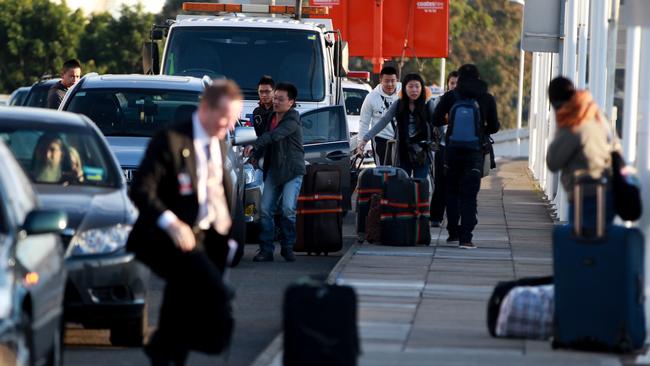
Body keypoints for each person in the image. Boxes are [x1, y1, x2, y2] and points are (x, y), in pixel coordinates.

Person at [126, 80, 243, 366]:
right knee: (217, 295)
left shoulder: (220, 143)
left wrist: (227, 236)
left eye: (233, 120)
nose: (228, 125)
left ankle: (162, 350)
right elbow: (141, 188)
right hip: (172, 238)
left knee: (179, 306)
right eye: (224, 117)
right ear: (205, 108)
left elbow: (218, 192)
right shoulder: (171, 140)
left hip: (210, 239)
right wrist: (171, 223)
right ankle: (171, 347)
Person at [432, 64, 500, 249]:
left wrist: (450, 121)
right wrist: (480, 129)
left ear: (459, 78)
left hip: (452, 151)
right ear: (478, 78)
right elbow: (494, 126)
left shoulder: (451, 96)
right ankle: (466, 238)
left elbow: (436, 119)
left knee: (452, 192)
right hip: (474, 153)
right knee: (469, 195)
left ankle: (453, 233)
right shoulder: (486, 98)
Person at [244, 83, 305, 262]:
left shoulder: (293, 119)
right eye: (275, 97)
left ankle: (287, 247)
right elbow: (266, 140)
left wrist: (254, 145)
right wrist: (255, 155)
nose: (275, 101)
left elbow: (274, 136)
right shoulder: (270, 117)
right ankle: (266, 250)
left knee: (288, 209)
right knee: (265, 210)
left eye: (280, 99)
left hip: (292, 170)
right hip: (274, 170)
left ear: (291, 102)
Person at [546, 76, 614, 227]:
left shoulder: (574, 123)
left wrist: (560, 129)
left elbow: (553, 161)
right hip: (609, 191)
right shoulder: (597, 115)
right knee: (602, 244)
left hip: (585, 195)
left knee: (580, 246)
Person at [358, 73, 434, 179]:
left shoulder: (428, 104)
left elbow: (437, 123)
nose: (414, 90)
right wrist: (365, 139)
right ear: (404, 89)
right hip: (403, 151)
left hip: (423, 152)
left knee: (420, 184)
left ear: (422, 88)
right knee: (402, 183)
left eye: (417, 86)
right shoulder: (399, 104)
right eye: (410, 86)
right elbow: (384, 121)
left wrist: (440, 144)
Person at [430, 71, 458, 228]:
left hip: (460, 150)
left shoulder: (468, 101)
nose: (454, 86)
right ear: (448, 84)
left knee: (456, 185)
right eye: (452, 83)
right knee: (440, 183)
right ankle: (436, 216)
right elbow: (435, 122)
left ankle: (454, 221)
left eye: (458, 83)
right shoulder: (440, 101)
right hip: (443, 147)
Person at [358, 66, 400, 165]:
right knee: (383, 170)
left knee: (400, 171)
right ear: (381, 80)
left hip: (400, 139)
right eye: (386, 81)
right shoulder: (371, 97)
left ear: (397, 80)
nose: (390, 84)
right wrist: (361, 142)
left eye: (393, 81)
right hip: (380, 139)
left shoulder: (404, 93)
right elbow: (364, 122)